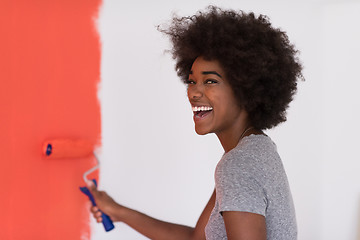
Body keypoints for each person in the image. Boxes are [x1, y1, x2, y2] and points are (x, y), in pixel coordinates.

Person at [86, 6, 303, 240]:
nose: (194, 93)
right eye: (192, 81)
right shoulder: (254, 150)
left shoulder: (238, 165)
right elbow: (197, 239)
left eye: (210, 81)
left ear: (245, 89)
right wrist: (118, 211)